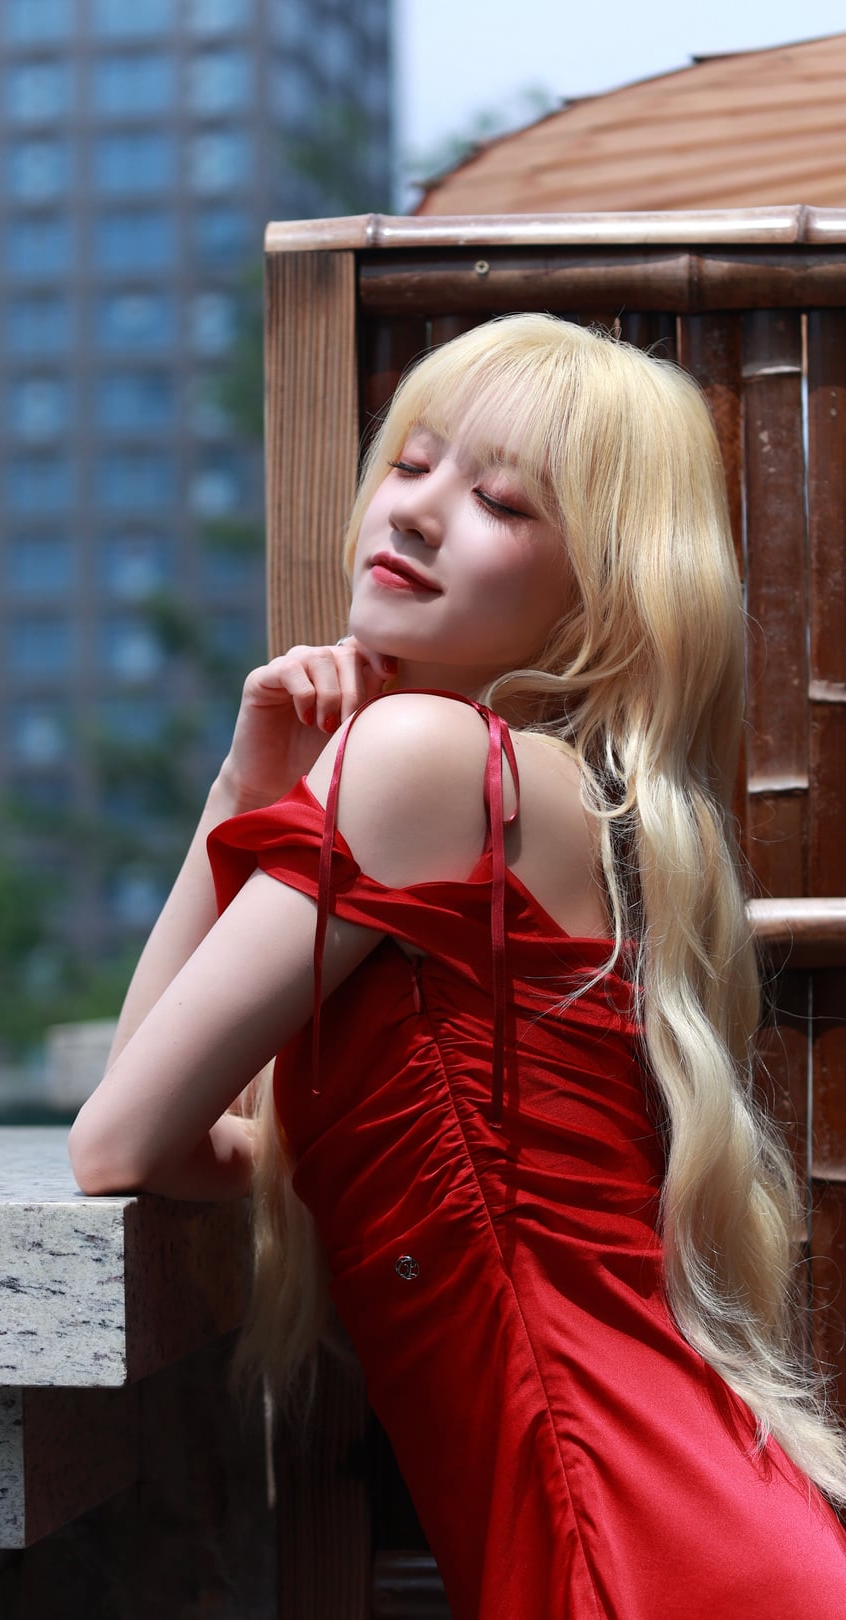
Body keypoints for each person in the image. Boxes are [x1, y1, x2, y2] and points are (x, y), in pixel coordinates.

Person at [69, 313, 846, 1618]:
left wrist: (242, 800)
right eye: (412, 462)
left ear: (605, 592)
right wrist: (244, 789)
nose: (420, 511)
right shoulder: (556, 804)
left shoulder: (427, 760)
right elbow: (197, 1130)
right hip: (667, 1526)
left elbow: (118, 1137)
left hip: (629, 1548)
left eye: (500, 501)